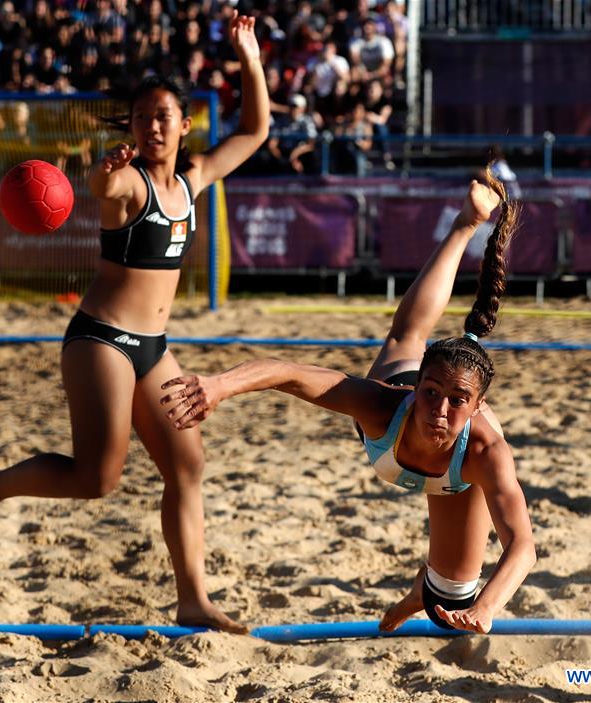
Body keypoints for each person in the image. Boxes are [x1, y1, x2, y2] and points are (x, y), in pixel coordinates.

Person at [0, 12, 270, 635]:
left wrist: (250, 59)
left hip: (154, 347)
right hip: (101, 340)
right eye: (141, 116)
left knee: (187, 465)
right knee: (97, 478)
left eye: (163, 116)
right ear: (130, 126)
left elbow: (256, 130)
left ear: (184, 124)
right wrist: (103, 171)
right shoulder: (128, 182)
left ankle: (193, 600)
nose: (152, 125)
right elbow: (102, 186)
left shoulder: (194, 179)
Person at [160, 172, 537, 634]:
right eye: (431, 393)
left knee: (451, 603)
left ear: (477, 408)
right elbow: (290, 373)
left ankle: (420, 592)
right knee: (407, 335)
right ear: (418, 388)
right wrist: (219, 385)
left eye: (457, 401)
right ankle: (466, 223)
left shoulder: (485, 451)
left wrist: (487, 608)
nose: (439, 410)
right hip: (400, 391)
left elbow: (522, 546)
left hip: (455, 470)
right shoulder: (382, 405)